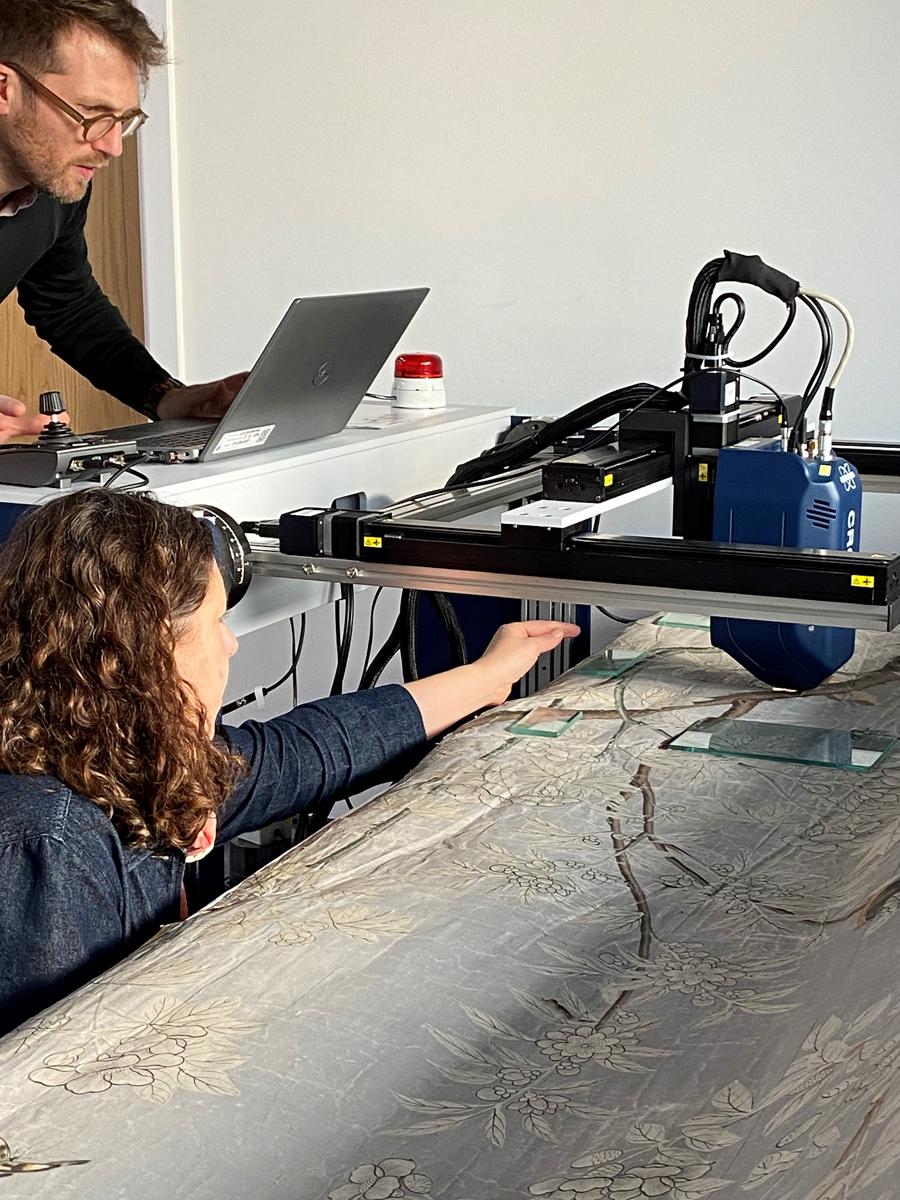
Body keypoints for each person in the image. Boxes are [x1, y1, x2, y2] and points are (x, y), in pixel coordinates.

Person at [0, 488, 579, 1036]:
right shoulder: (50, 839)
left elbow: (299, 754)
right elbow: (49, 1072)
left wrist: (485, 677)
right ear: (152, 650)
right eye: (216, 623)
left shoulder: (104, 745)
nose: (230, 646)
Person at [0, 0, 246, 443]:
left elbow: (68, 305)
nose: (112, 146)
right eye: (92, 115)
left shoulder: (54, 187)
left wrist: (167, 398)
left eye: (124, 120)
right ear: (4, 88)